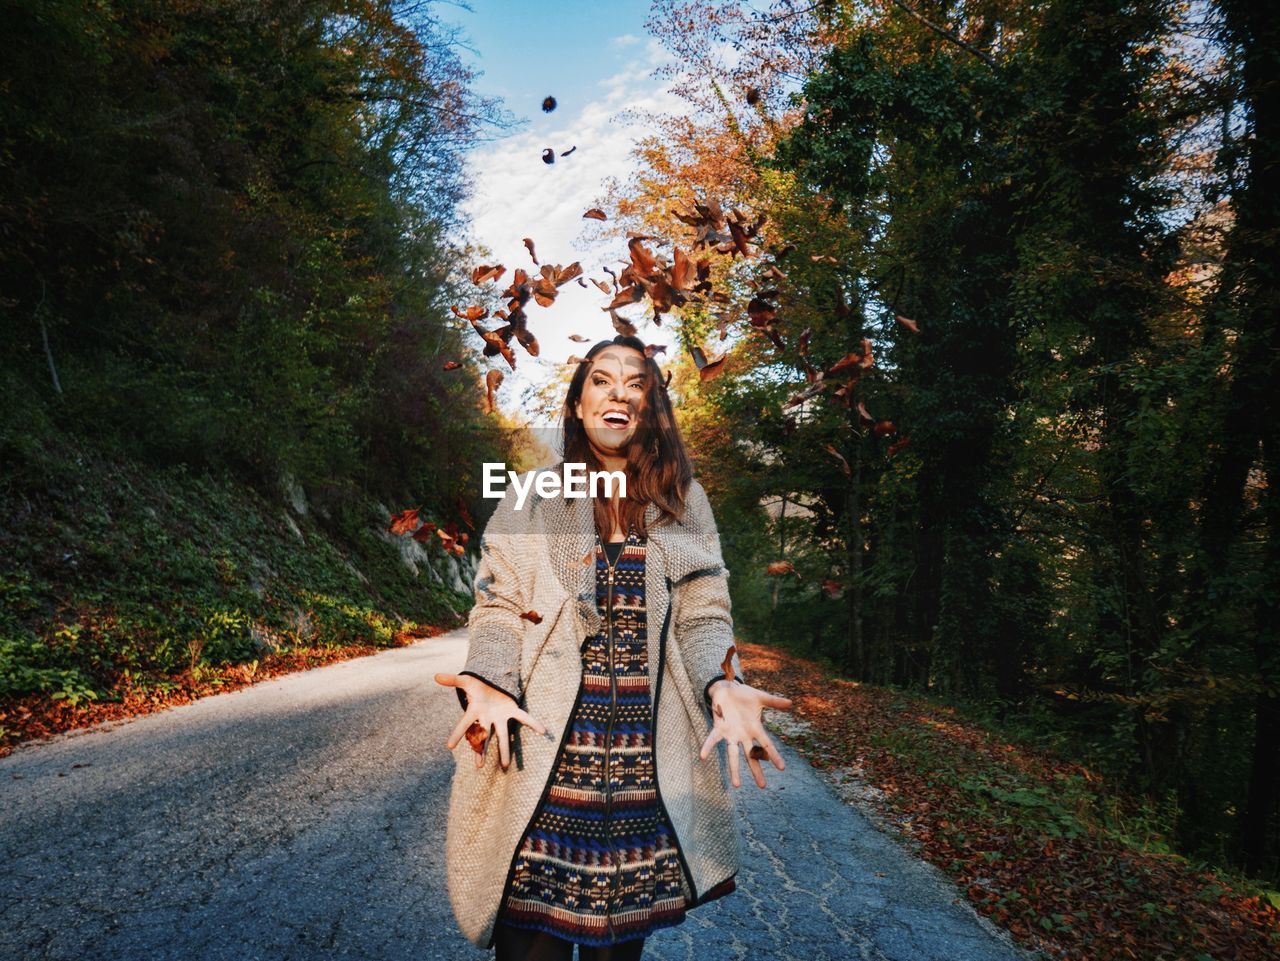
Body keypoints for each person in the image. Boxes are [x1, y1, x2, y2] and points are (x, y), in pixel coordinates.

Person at [435, 335, 794, 960]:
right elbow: (497, 604)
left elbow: (704, 615)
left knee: (615, 954)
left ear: (651, 408)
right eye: (601, 380)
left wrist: (721, 681)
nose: (619, 393)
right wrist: (490, 677)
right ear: (577, 405)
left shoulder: (684, 502)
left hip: (638, 782)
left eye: (637, 384)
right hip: (543, 765)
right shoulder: (531, 495)